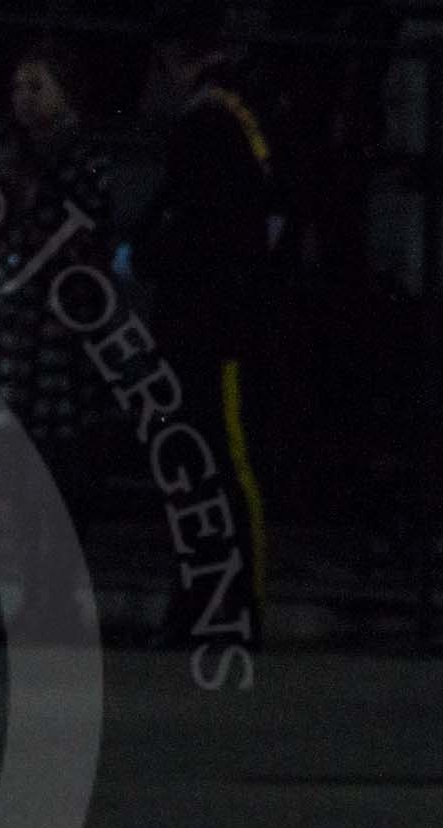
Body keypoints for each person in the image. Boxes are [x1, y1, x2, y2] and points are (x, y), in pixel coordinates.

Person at [125, 0, 278, 649]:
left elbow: (200, 228)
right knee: (202, 464)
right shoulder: (237, 113)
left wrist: (145, 253)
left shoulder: (210, 122)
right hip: (212, 316)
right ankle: (210, 603)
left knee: (216, 463)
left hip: (210, 321)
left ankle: (229, 606)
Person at [0, 37, 117, 642]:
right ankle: (27, 600)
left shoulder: (80, 159)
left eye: (38, 87)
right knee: (10, 470)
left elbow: (71, 239)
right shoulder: (5, 153)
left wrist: (16, 202)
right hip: (13, 332)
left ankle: (56, 600)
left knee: (61, 465)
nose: (24, 100)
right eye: (19, 87)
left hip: (60, 335)